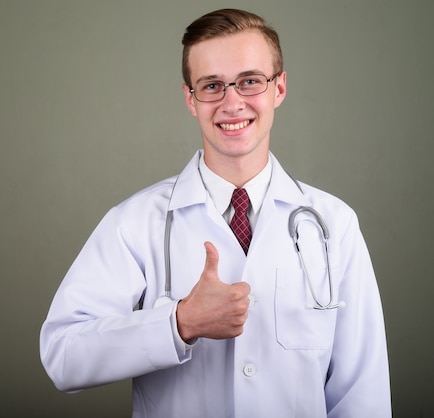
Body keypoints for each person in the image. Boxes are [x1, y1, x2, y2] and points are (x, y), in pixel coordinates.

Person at [40, 8, 391, 418]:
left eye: (250, 81)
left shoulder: (333, 224)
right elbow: (63, 356)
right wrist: (179, 323)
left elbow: (362, 394)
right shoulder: (136, 222)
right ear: (191, 99)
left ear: (279, 88)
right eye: (212, 85)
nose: (232, 101)